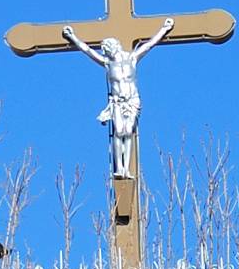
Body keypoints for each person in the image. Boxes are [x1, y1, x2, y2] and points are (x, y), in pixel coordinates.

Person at [69, 18, 172, 179]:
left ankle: (126, 170)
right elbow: (88, 51)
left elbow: (149, 44)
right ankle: (119, 167)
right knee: (118, 131)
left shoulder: (132, 58)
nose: (105, 53)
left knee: (128, 131)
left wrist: (164, 30)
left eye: (107, 49)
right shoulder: (107, 63)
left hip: (132, 100)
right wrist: (73, 37)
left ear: (113, 47)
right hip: (117, 101)